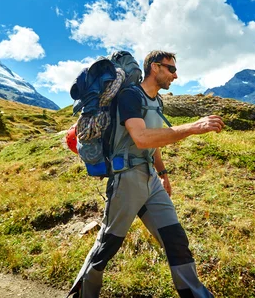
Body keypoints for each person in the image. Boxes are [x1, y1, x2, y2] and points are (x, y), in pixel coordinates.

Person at [68, 51, 225, 298]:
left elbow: (154, 141)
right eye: (171, 69)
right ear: (155, 68)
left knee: (175, 241)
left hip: (150, 179)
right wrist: (193, 127)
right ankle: (82, 295)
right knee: (107, 246)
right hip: (126, 180)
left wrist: (162, 172)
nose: (175, 74)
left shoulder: (157, 101)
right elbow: (140, 138)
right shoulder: (131, 96)